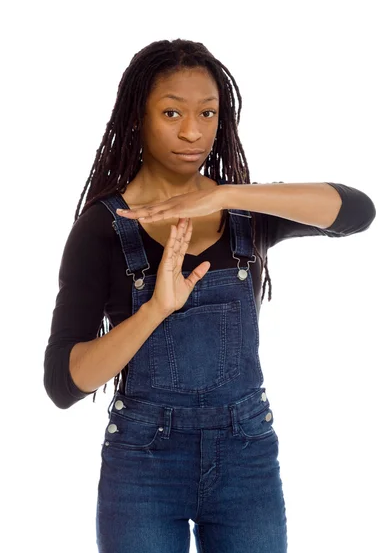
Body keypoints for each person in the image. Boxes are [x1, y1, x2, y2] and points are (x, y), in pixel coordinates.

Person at [43, 38, 376, 553]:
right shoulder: (104, 229)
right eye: (171, 112)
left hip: (246, 455)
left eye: (208, 113)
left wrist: (227, 193)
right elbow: (65, 383)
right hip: (144, 461)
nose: (192, 131)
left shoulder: (244, 212)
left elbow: (357, 211)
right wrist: (155, 309)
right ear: (138, 117)